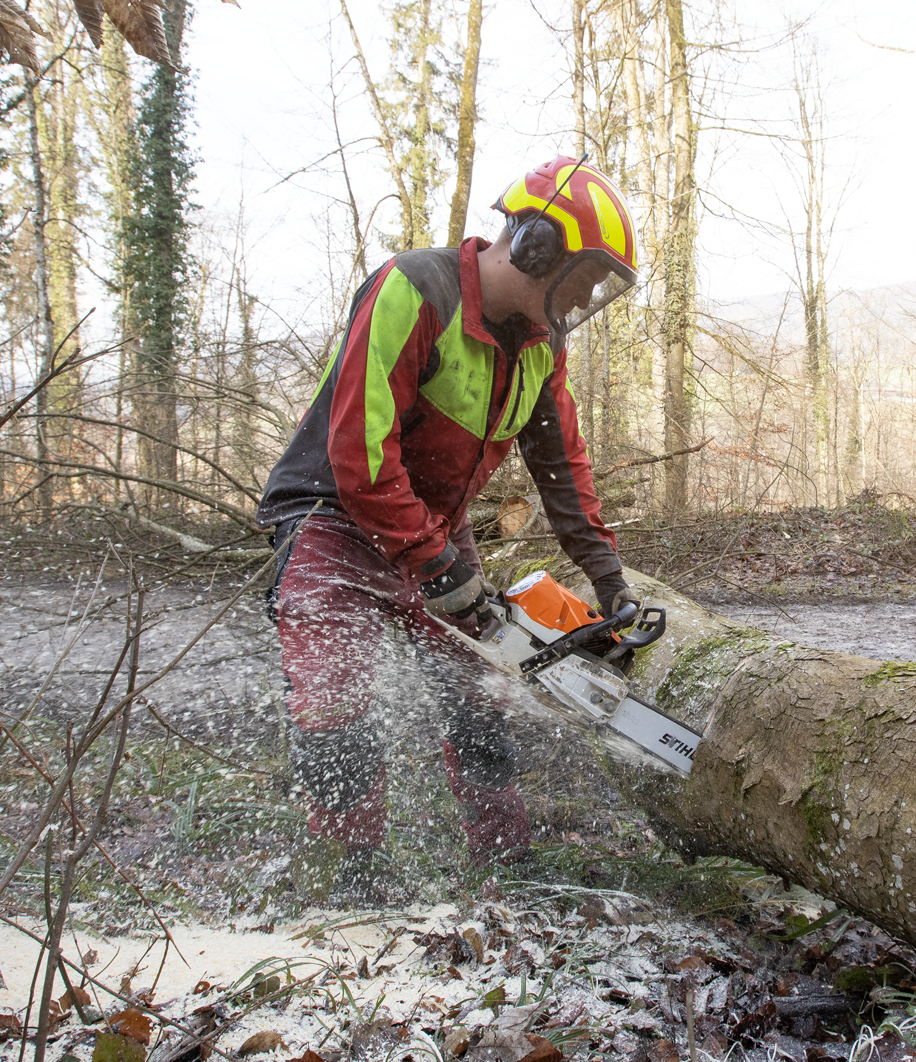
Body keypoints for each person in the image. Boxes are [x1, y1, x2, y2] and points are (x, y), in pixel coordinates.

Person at [257, 155, 643, 901]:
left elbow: (561, 464)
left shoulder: (540, 346)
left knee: (476, 685)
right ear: (537, 246)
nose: (584, 297)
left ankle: (503, 857)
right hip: (329, 515)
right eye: (583, 277)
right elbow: (359, 455)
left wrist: (607, 576)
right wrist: (441, 571)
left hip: (433, 524)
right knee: (337, 690)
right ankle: (351, 874)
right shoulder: (416, 289)